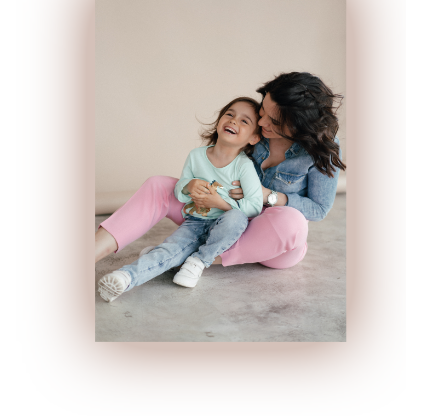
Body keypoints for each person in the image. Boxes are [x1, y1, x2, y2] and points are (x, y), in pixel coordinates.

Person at [95, 71, 346, 273]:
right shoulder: (254, 131)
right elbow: (214, 159)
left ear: (301, 128)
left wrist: (268, 196)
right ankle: (95, 250)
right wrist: (194, 185)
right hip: (216, 217)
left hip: (268, 240)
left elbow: (319, 209)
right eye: (263, 111)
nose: (261, 122)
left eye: (275, 122)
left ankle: (186, 257)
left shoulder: (321, 151)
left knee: (292, 223)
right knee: (158, 185)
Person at [98, 97, 263, 302]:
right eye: (229, 114)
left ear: (254, 138)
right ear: (219, 121)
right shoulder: (196, 156)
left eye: (244, 121)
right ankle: (124, 278)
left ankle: (198, 261)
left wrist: (219, 204)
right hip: (195, 221)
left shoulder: (244, 166)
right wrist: (188, 185)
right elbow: (179, 192)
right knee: (170, 250)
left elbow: (255, 206)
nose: (234, 120)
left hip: (227, 228)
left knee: (236, 218)